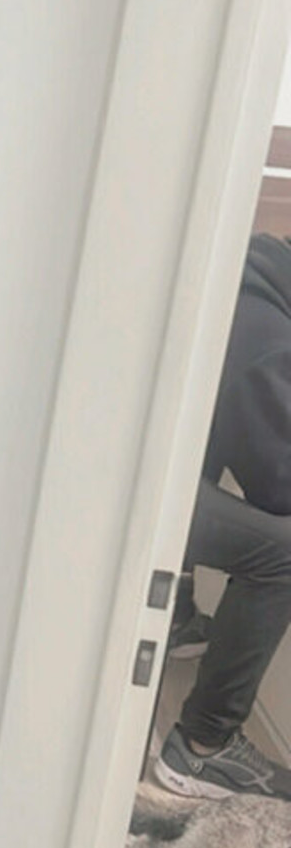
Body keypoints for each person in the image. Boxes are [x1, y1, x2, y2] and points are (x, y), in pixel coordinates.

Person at [156, 233, 291, 801]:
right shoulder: (266, 336)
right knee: (283, 554)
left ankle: (176, 615)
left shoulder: (253, 282)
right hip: (123, 490)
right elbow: (280, 484)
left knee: (205, 434)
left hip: (130, 466)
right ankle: (203, 747)